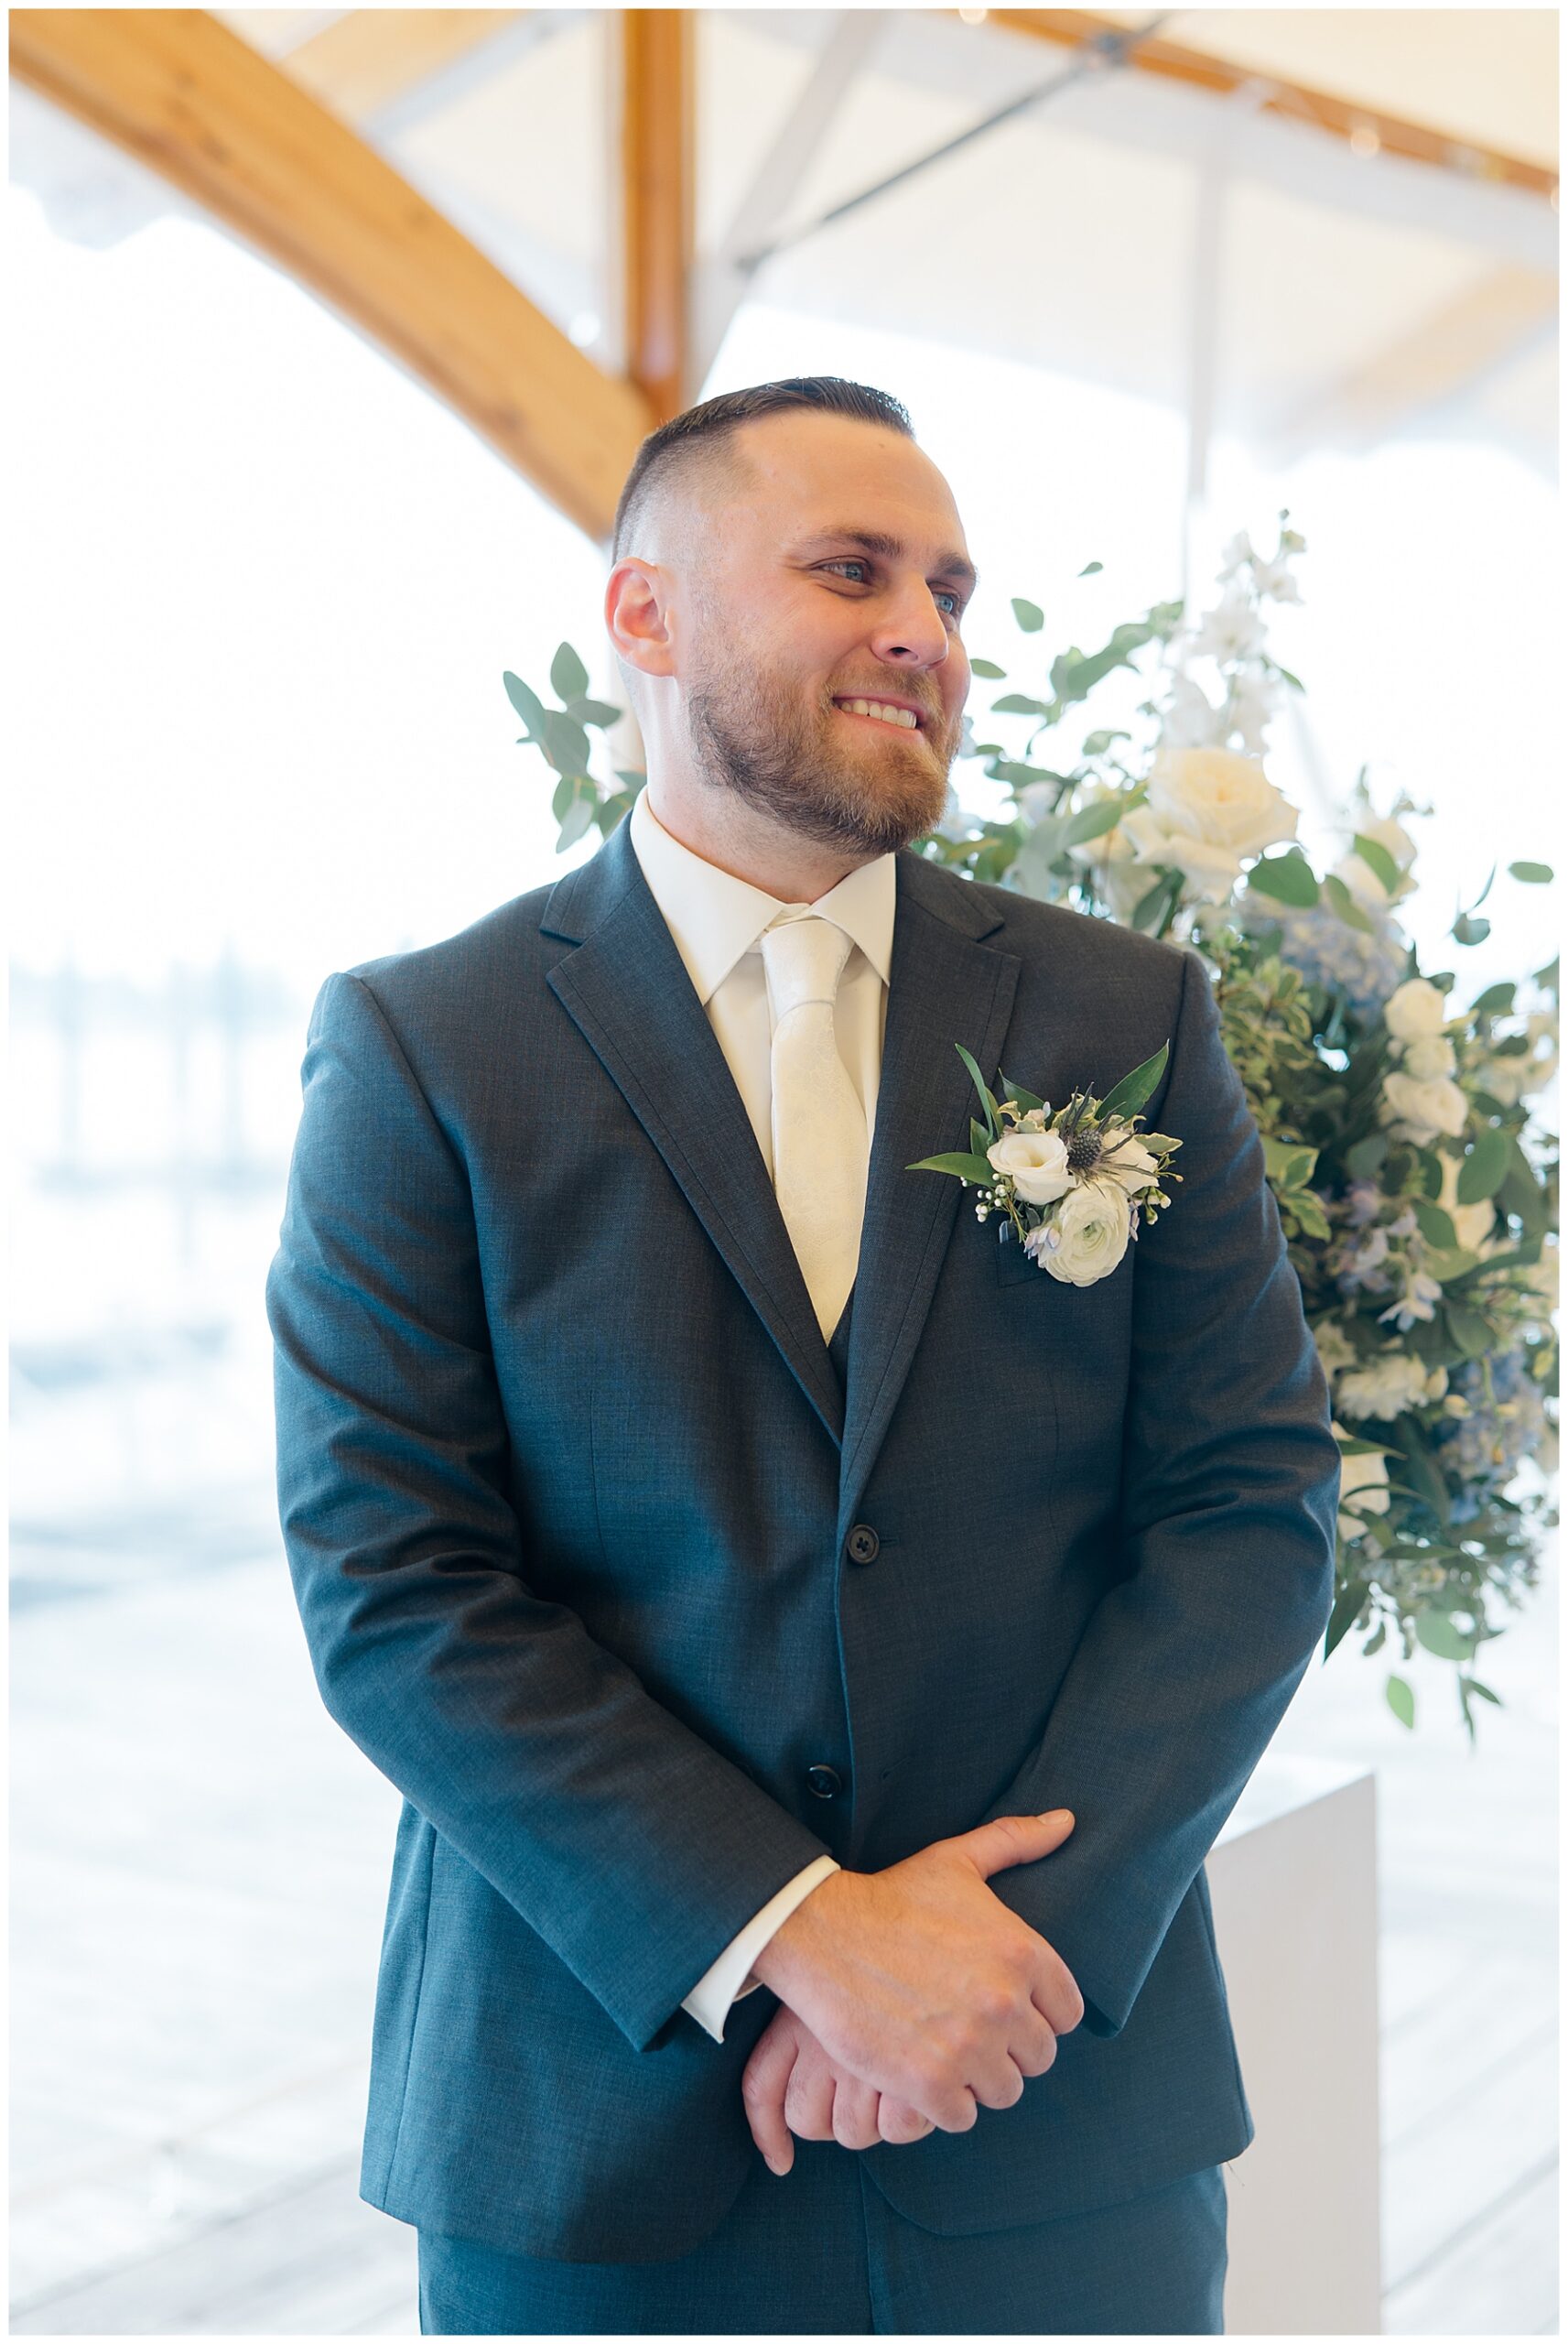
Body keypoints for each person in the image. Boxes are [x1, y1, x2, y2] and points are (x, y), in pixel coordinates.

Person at [266, 374, 1340, 2335]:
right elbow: (394, 1583)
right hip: (589, 2122)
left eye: (946, 585)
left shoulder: (1123, 1016)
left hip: (1050, 2109)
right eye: (849, 569)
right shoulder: (426, 1046)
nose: (921, 630)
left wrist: (998, 1957)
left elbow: (1246, 1508)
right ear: (646, 614)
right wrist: (797, 1933)